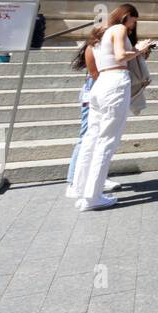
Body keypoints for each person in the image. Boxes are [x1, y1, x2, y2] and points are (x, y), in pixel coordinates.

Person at [71, 4, 154, 211]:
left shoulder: (99, 35)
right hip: (115, 82)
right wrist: (140, 50)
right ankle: (92, 197)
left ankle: (81, 189)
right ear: (126, 17)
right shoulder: (118, 29)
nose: (134, 26)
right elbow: (120, 56)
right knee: (107, 141)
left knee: (92, 137)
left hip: (100, 85)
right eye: (133, 21)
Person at [64, 37, 117, 199]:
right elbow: (95, 74)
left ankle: (96, 176)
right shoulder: (95, 49)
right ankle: (73, 181)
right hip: (94, 94)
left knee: (100, 137)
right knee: (86, 136)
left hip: (100, 93)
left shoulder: (103, 48)